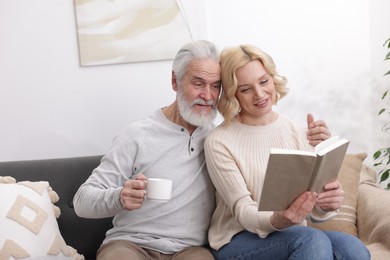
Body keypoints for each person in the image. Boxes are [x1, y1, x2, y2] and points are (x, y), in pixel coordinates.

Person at [204, 44, 371, 260]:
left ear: (273, 79)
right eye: (245, 89)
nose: (260, 94)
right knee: (311, 239)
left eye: (264, 81)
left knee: (353, 248)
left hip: (291, 233)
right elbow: (242, 209)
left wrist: (326, 203)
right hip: (237, 240)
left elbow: (312, 210)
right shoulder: (219, 141)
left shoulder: (297, 132)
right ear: (232, 93)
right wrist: (277, 220)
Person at [73, 40, 222, 260]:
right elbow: (81, 202)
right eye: (198, 84)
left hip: (189, 250)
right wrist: (119, 197)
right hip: (130, 245)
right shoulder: (137, 135)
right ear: (175, 81)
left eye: (216, 85)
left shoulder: (218, 140)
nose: (208, 96)